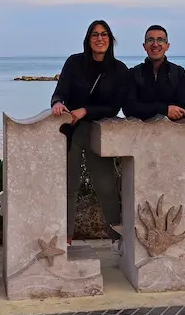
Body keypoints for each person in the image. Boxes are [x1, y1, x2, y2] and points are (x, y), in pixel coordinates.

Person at [50, 20, 129, 254]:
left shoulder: (119, 69)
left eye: (104, 34)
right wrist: (58, 104)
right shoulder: (74, 63)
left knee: (106, 187)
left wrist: (86, 111)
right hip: (72, 132)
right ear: (88, 39)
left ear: (110, 39)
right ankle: (65, 238)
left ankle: (116, 238)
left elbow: (116, 106)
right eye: (95, 34)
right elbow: (60, 92)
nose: (100, 38)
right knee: (68, 186)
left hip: (98, 132)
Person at [124, 24, 185, 121]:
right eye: (150, 40)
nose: (155, 44)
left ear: (167, 46)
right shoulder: (134, 73)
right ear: (144, 46)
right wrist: (165, 110)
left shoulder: (178, 72)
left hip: (172, 134)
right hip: (141, 134)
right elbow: (129, 109)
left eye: (160, 40)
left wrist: (146, 108)